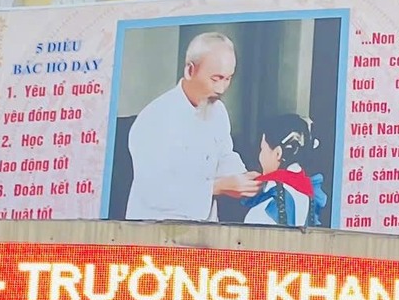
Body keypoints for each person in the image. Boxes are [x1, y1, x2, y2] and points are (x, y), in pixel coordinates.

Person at [122, 31, 261, 221]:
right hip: (155, 228)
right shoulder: (155, 118)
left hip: (203, 225)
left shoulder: (218, 111)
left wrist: (243, 177)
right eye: (216, 78)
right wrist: (217, 187)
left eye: (228, 79)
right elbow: (154, 192)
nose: (221, 89)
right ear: (190, 70)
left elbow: (224, 155)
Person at [241, 113, 326, 228]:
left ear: (278, 153)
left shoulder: (263, 210)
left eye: (262, 149)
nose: (260, 156)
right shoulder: (307, 195)